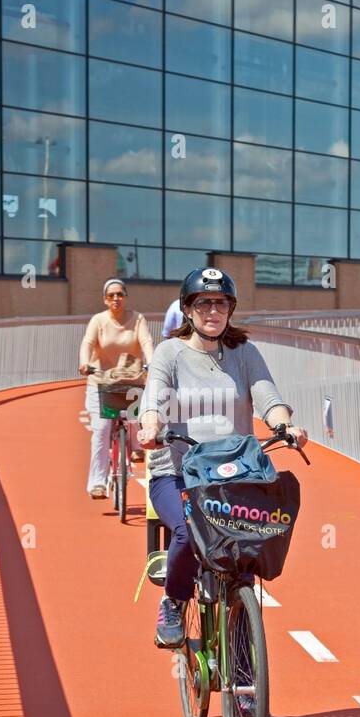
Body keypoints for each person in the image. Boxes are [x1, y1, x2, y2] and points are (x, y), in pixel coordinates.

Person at [139, 267, 307, 649]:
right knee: (187, 529)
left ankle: (246, 680)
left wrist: (286, 428)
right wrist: (151, 427)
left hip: (235, 475)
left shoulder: (244, 354)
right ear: (187, 309)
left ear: (230, 309)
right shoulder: (170, 353)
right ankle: (174, 600)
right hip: (178, 474)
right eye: (203, 303)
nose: (212, 311)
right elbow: (154, 400)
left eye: (221, 303)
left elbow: (269, 399)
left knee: (244, 565)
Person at [79, 278, 154, 498]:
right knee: (101, 430)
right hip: (100, 382)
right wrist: (85, 363)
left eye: (120, 294)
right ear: (105, 299)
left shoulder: (137, 319)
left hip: (129, 381)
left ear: (125, 297)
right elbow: (87, 343)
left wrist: (152, 362)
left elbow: (147, 343)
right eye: (111, 295)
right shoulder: (98, 321)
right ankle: (98, 483)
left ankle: (133, 447)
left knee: (134, 420)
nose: (116, 299)